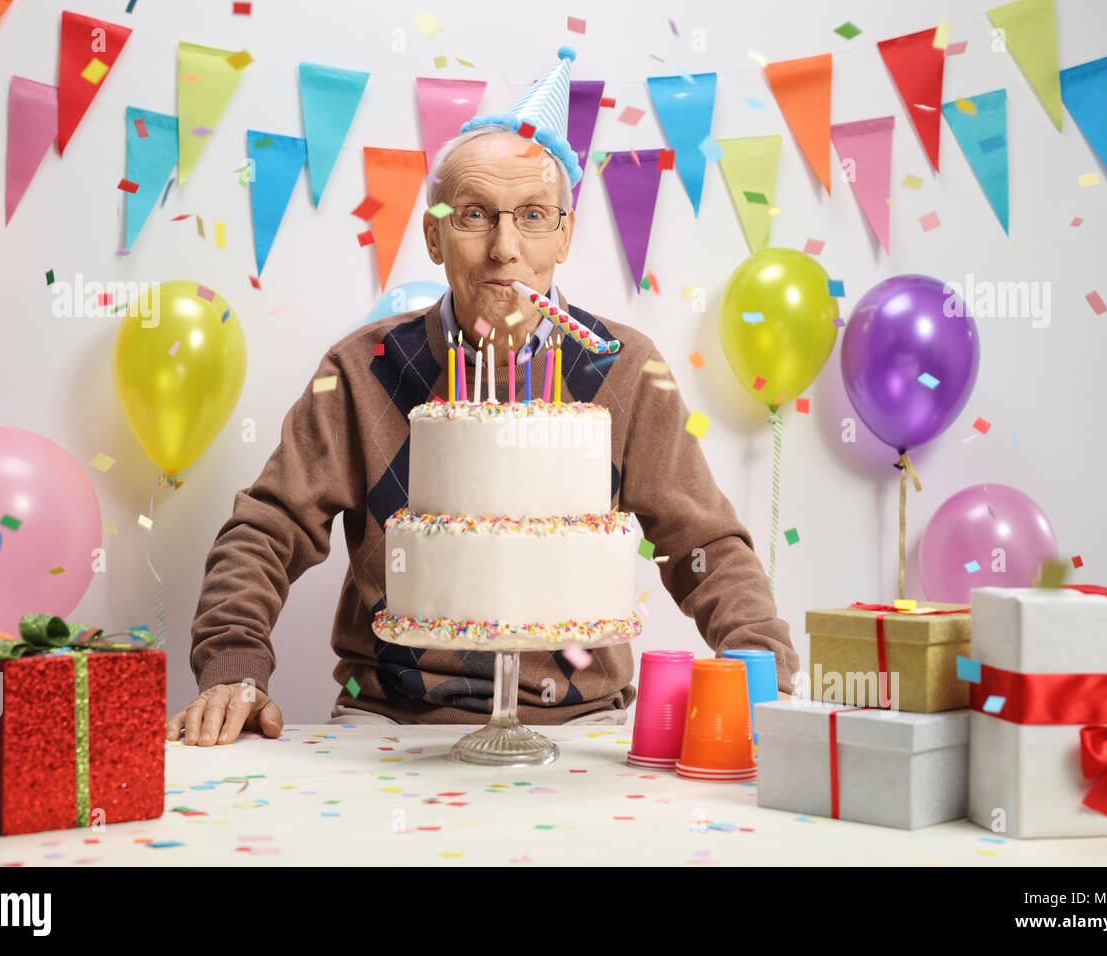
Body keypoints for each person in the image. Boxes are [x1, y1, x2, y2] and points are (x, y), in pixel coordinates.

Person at [166, 48, 796, 747]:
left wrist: (765, 678)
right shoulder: (362, 368)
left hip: (584, 724)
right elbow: (267, 529)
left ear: (565, 234)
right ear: (435, 236)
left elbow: (704, 546)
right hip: (389, 722)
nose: (504, 249)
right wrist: (234, 666)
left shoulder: (624, 370)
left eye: (531, 216)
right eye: (474, 215)